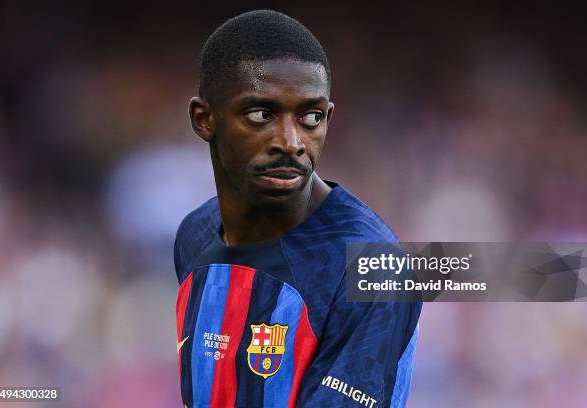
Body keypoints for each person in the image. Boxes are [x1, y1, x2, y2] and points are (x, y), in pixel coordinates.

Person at [174, 10, 421, 408]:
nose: (290, 141)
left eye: (310, 116)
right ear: (205, 120)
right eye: (261, 114)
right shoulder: (195, 234)